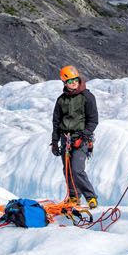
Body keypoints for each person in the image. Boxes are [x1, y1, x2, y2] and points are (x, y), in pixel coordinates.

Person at [51, 65, 99, 209]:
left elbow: (93, 120)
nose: (73, 83)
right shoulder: (61, 100)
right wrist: (54, 142)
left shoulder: (87, 97)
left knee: (77, 169)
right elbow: (56, 122)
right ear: (64, 83)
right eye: (70, 81)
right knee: (67, 169)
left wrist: (83, 136)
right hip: (65, 139)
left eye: (75, 80)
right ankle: (74, 197)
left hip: (81, 138)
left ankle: (91, 197)